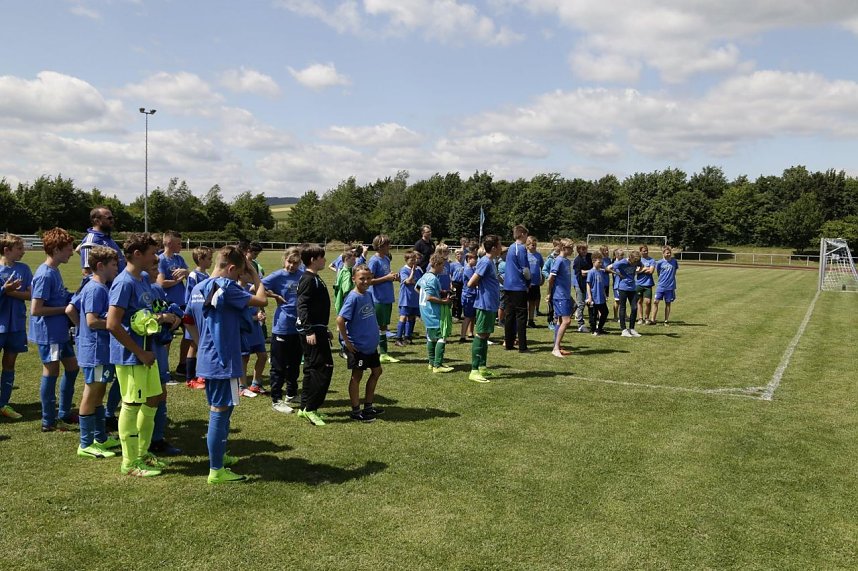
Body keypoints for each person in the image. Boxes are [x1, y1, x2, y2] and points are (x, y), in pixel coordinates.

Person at [186, 245, 267, 483]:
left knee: (223, 408)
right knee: (220, 412)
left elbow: (188, 319)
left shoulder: (199, 287)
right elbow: (262, 300)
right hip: (223, 359)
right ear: (231, 269)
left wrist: (202, 343)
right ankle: (216, 470)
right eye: (239, 273)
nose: (240, 277)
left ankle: (219, 455)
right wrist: (255, 275)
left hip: (208, 357)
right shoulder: (227, 287)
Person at [107, 233, 180, 477]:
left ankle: (142, 453)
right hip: (132, 356)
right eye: (151, 253)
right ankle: (129, 463)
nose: (155, 257)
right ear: (137, 254)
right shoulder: (124, 282)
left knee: (154, 399)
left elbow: (143, 314)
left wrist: (163, 317)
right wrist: (139, 352)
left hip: (148, 353)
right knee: (131, 405)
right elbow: (112, 324)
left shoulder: (145, 279)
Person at [29, 227, 80, 432]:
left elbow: (59, 296)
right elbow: (36, 309)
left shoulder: (54, 270)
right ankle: (48, 420)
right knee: (52, 372)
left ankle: (64, 413)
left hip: (60, 331)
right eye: (68, 249)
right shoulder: (44, 275)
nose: (72, 252)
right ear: (56, 250)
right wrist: (65, 309)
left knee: (73, 368)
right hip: (49, 334)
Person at [74, 246, 121, 458]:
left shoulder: (101, 287)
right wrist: (115, 323)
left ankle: (100, 437)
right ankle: (85, 443)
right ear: (100, 266)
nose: (116, 269)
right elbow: (92, 321)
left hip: (101, 350)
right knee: (91, 393)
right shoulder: (95, 289)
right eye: (113, 265)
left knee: (99, 393)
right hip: (95, 351)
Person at [336, 264, 385, 422]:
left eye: (368, 278)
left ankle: (368, 406)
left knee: (377, 372)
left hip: (370, 346)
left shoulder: (368, 294)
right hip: (358, 347)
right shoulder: (353, 297)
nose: (365, 281)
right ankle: (356, 411)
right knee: (357, 376)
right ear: (354, 279)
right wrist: (347, 342)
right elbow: (340, 320)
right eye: (362, 278)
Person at [295, 244, 334, 426]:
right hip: (311, 331)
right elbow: (302, 305)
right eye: (322, 257)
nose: (325, 260)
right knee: (323, 368)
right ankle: (311, 408)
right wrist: (309, 330)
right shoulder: (308, 279)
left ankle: (304, 408)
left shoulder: (314, 278)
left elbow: (315, 307)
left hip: (318, 329)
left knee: (311, 368)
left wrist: (323, 328)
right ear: (313, 260)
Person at [262, 247, 304, 413]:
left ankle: (291, 394)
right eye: (289, 262)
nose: (292, 266)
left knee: (294, 364)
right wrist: (275, 296)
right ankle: (276, 399)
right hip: (282, 326)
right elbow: (255, 287)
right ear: (284, 260)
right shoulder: (278, 275)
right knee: (278, 366)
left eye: (295, 263)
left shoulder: (302, 275)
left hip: (298, 326)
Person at [0, 233, 32, 420]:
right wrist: (5, 289)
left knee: (10, 363)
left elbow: (31, 295)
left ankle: (3, 403)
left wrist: (9, 292)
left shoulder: (24, 269)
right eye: (19, 248)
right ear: (7, 250)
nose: (23, 252)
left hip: (17, 324)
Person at [467, 235, 502, 383]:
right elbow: (471, 283)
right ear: (493, 248)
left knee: (486, 335)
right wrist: (484, 290)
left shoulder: (491, 261)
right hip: (484, 304)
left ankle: (482, 367)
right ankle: (474, 370)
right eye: (499, 245)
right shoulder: (485, 262)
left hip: (490, 304)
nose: (501, 248)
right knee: (480, 335)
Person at [156, 230, 190, 377]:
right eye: (179, 243)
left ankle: (182, 366)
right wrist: (177, 281)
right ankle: (164, 370)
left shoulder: (179, 258)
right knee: (167, 338)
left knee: (190, 334)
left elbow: (189, 274)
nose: (181, 246)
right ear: (169, 243)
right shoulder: (161, 260)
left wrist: (185, 272)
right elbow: (161, 283)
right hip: (168, 304)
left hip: (183, 303)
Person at [418, 252, 454, 373]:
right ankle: (437, 365)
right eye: (442, 265)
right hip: (433, 312)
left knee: (431, 337)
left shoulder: (425, 276)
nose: (443, 268)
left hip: (425, 311)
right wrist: (443, 301)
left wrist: (440, 292)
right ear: (437, 264)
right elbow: (429, 297)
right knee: (441, 336)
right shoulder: (432, 279)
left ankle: (431, 362)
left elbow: (417, 288)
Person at [368, 234, 401, 364]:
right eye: (387, 245)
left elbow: (386, 275)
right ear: (380, 246)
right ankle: (376, 352)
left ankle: (383, 353)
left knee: (384, 326)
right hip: (378, 298)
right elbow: (369, 281)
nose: (390, 247)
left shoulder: (386, 259)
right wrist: (386, 278)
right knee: (377, 326)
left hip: (387, 297)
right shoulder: (374, 261)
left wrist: (393, 277)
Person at [185, 246, 212, 389]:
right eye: (209, 259)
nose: (211, 261)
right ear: (200, 259)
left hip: (205, 316)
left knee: (202, 344)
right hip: (194, 317)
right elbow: (189, 297)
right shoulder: (193, 276)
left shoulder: (208, 275)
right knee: (193, 345)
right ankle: (190, 378)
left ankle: (201, 374)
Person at [78, 206, 126, 281]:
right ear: (97, 221)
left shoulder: (108, 239)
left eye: (112, 218)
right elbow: (87, 273)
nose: (112, 221)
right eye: (109, 218)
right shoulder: (91, 241)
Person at [503, 225, 530, 352]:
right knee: (521, 316)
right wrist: (529, 281)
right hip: (518, 286)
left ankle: (508, 343)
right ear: (522, 234)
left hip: (508, 285)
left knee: (509, 315)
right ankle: (522, 346)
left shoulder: (511, 247)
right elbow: (525, 269)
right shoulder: (521, 248)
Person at [547, 239, 574, 358]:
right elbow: (551, 278)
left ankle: (557, 346)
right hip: (560, 296)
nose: (572, 250)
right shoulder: (558, 260)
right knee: (566, 321)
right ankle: (555, 348)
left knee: (560, 321)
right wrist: (549, 293)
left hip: (565, 295)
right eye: (570, 247)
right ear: (563, 248)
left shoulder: (567, 261)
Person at [607, 250, 642, 338]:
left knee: (634, 308)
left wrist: (637, 271)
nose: (635, 264)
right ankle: (623, 330)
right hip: (623, 288)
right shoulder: (622, 262)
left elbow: (642, 266)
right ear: (630, 258)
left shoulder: (637, 262)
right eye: (634, 262)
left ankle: (632, 329)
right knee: (623, 307)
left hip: (632, 288)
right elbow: (608, 268)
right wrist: (617, 273)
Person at [395, 251, 420, 347]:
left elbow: (419, 282)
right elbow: (408, 281)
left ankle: (407, 337)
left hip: (415, 298)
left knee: (412, 317)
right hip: (406, 298)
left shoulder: (418, 270)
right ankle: (398, 338)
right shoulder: (404, 270)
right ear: (406, 260)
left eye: (415, 260)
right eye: (411, 260)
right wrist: (412, 272)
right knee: (403, 317)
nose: (414, 262)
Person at [652, 246, 679, 325]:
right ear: (663, 253)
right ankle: (653, 319)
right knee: (655, 302)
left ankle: (666, 320)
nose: (668, 254)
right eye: (667, 253)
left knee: (668, 303)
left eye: (669, 253)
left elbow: (674, 271)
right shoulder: (659, 262)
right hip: (661, 285)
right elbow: (658, 272)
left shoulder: (674, 261)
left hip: (670, 286)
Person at [585, 252, 610, 336]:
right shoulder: (591, 272)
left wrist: (604, 294)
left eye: (601, 262)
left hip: (601, 297)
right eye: (599, 262)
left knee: (605, 312)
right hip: (593, 297)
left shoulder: (601, 272)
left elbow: (602, 285)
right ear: (593, 261)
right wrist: (589, 297)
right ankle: (593, 330)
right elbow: (588, 284)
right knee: (593, 315)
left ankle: (599, 328)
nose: (601, 264)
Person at [572, 243, 593, 333]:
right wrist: (591, 271)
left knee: (591, 303)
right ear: (578, 250)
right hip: (579, 284)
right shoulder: (577, 260)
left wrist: (587, 271)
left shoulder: (590, 256)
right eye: (583, 249)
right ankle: (580, 324)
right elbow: (581, 273)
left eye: (586, 249)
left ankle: (592, 323)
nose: (585, 251)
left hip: (589, 283)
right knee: (581, 304)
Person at [458, 251, 478, 343]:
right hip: (468, 295)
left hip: (473, 294)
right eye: (475, 259)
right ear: (469, 259)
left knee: (472, 316)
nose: (476, 261)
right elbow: (474, 281)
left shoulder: (472, 268)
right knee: (468, 316)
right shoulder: (468, 269)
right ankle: (462, 336)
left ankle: (470, 332)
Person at [542, 240, 561, 331]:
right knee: (551, 303)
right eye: (558, 246)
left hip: (560, 285)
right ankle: (550, 321)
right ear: (555, 247)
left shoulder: (562, 257)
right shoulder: (550, 258)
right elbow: (544, 270)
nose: (560, 247)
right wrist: (549, 277)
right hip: (552, 285)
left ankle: (558, 321)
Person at [635, 245, 657, 325]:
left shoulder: (652, 260)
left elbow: (651, 271)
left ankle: (647, 318)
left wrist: (641, 270)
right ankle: (640, 318)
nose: (646, 252)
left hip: (648, 284)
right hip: (638, 284)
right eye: (644, 251)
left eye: (646, 250)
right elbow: (635, 271)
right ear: (640, 252)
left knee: (648, 302)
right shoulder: (637, 260)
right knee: (639, 301)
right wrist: (644, 269)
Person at [525, 236, 544, 328]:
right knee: (525, 303)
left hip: (535, 283)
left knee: (532, 302)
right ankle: (523, 320)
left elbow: (542, 267)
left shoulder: (538, 255)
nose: (534, 246)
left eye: (535, 245)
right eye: (532, 245)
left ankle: (531, 320)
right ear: (527, 245)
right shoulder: (525, 255)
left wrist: (542, 278)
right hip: (526, 283)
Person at [450, 249, 465, 320]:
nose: (460, 256)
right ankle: (454, 314)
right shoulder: (453, 264)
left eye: (461, 254)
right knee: (456, 298)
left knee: (461, 299)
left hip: (463, 283)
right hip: (455, 283)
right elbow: (450, 274)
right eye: (458, 254)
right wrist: (451, 283)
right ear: (455, 255)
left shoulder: (464, 264)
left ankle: (459, 314)